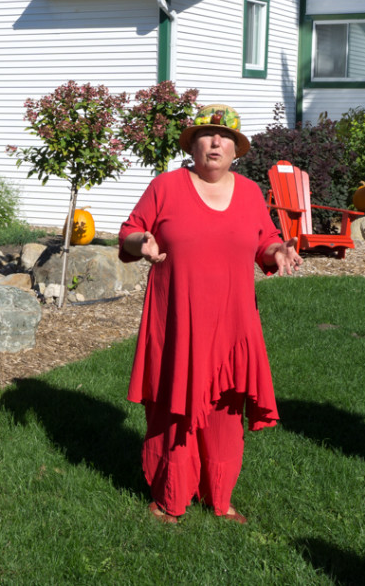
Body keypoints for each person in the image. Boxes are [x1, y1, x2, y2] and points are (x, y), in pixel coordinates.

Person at [118, 104, 302, 524]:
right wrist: (140, 242)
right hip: (177, 322)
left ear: (236, 150)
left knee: (224, 411)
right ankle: (170, 497)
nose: (215, 142)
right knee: (171, 410)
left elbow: (265, 243)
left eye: (225, 137)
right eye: (207, 135)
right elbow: (129, 231)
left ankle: (219, 498)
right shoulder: (166, 186)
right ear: (194, 145)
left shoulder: (252, 193)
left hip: (232, 323)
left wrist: (279, 251)